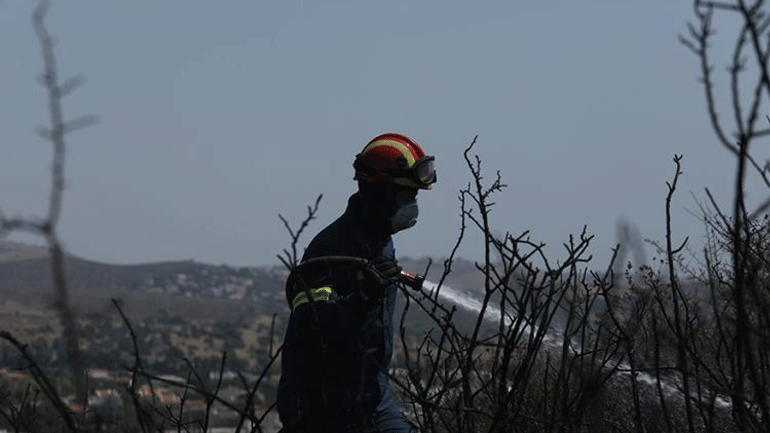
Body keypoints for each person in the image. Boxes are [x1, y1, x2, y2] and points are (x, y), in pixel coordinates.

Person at [277, 133, 436, 433]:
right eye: (406, 196)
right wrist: (362, 297)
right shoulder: (330, 249)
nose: (412, 205)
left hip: (375, 402)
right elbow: (310, 327)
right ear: (378, 193)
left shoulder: (380, 239)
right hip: (323, 411)